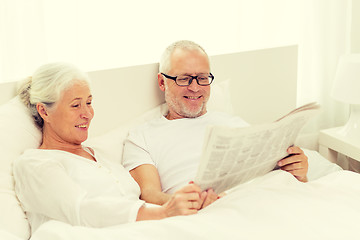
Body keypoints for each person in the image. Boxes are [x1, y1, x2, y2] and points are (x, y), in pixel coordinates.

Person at [13, 62, 205, 234]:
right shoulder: (34, 164)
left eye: (89, 102)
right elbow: (81, 209)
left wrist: (187, 202)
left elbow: (138, 199)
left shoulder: (102, 156)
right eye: (75, 105)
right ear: (44, 111)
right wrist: (162, 212)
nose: (87, 114)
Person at [122, 40, 309, 208]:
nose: (195, 88)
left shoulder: (234, 124)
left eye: (202, 78)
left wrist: (298, 171)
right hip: (209, 211)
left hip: (265, 200)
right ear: (162, 82)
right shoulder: (142, 136)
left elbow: (271, 174)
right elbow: (150, 195)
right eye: (184, 79)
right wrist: (189, 203)